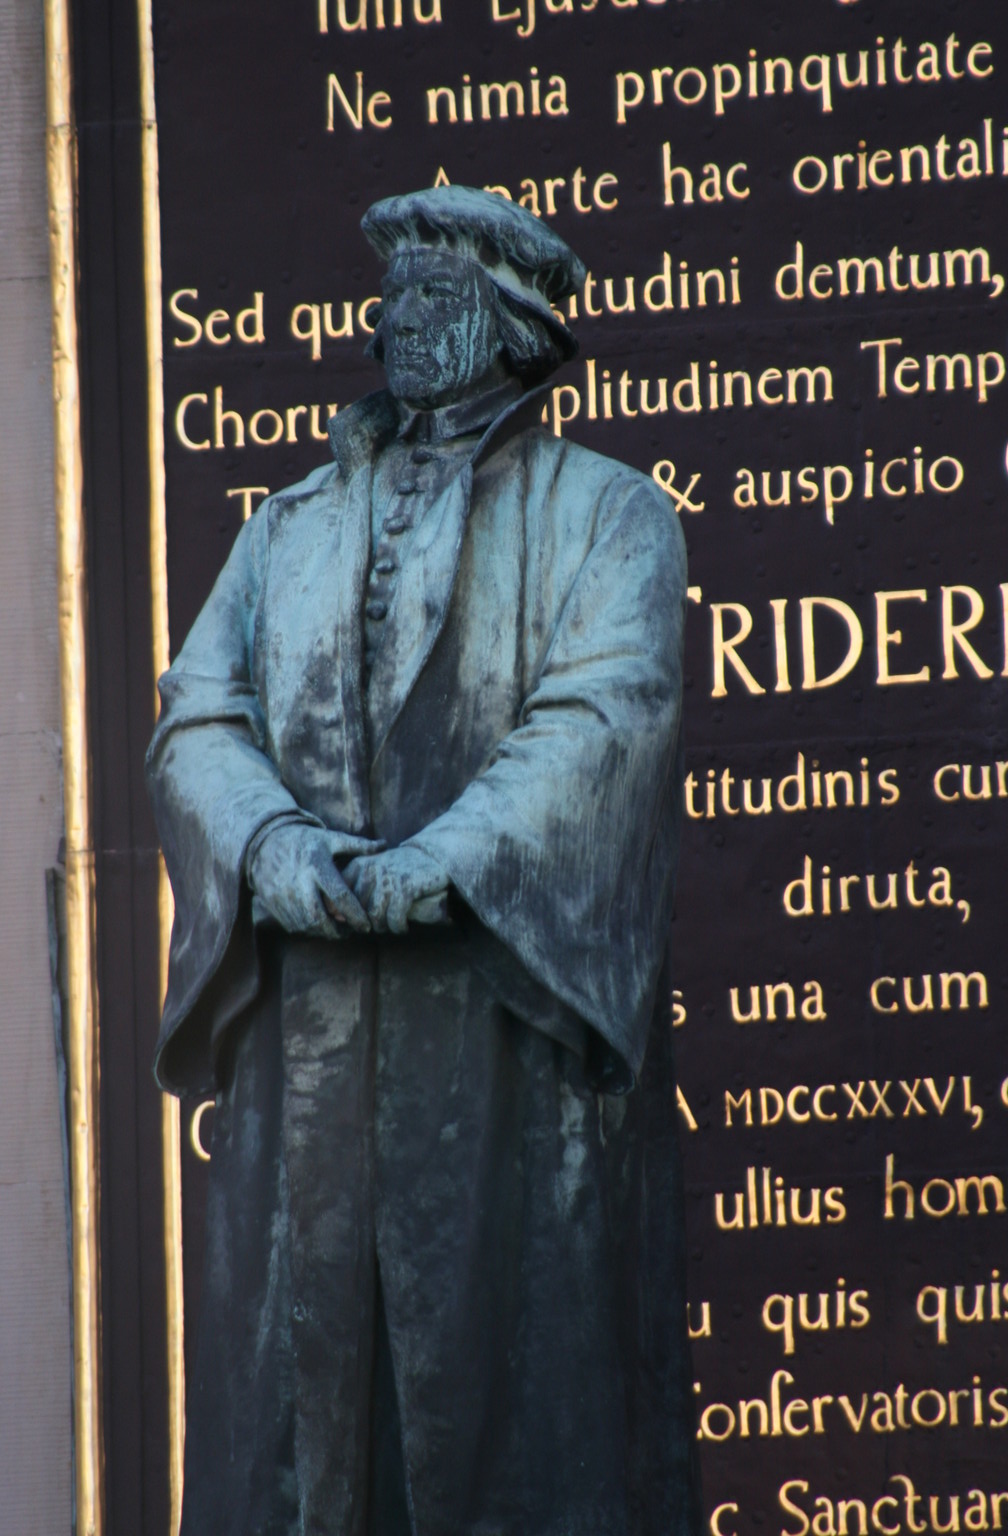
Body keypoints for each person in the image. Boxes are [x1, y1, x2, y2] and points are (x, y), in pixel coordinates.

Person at [148, 184, 701, 1536]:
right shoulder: (284, 528)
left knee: (515, 1409)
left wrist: (454, 857)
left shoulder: (610, 515)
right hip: (314, 1048)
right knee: (298, 1433)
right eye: (391, 298)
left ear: (514, 326)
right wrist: (270, 846)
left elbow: (606, 713)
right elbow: (196, 718)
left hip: (502, 1031)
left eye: (435, 296)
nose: (398, 321)